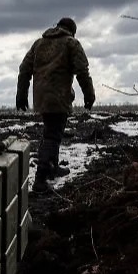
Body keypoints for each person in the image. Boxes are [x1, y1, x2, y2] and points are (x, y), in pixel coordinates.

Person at [16, 17, 95, 192]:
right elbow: (82, 71)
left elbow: (24, 69)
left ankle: (53, 167)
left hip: (42, 98)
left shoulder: (39, 44)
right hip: (59, 98)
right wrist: (89, 95)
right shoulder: (71, 43)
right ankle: (40, 179)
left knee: (51, 131)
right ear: (72, 31)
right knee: (53, 136)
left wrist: (21, 94)